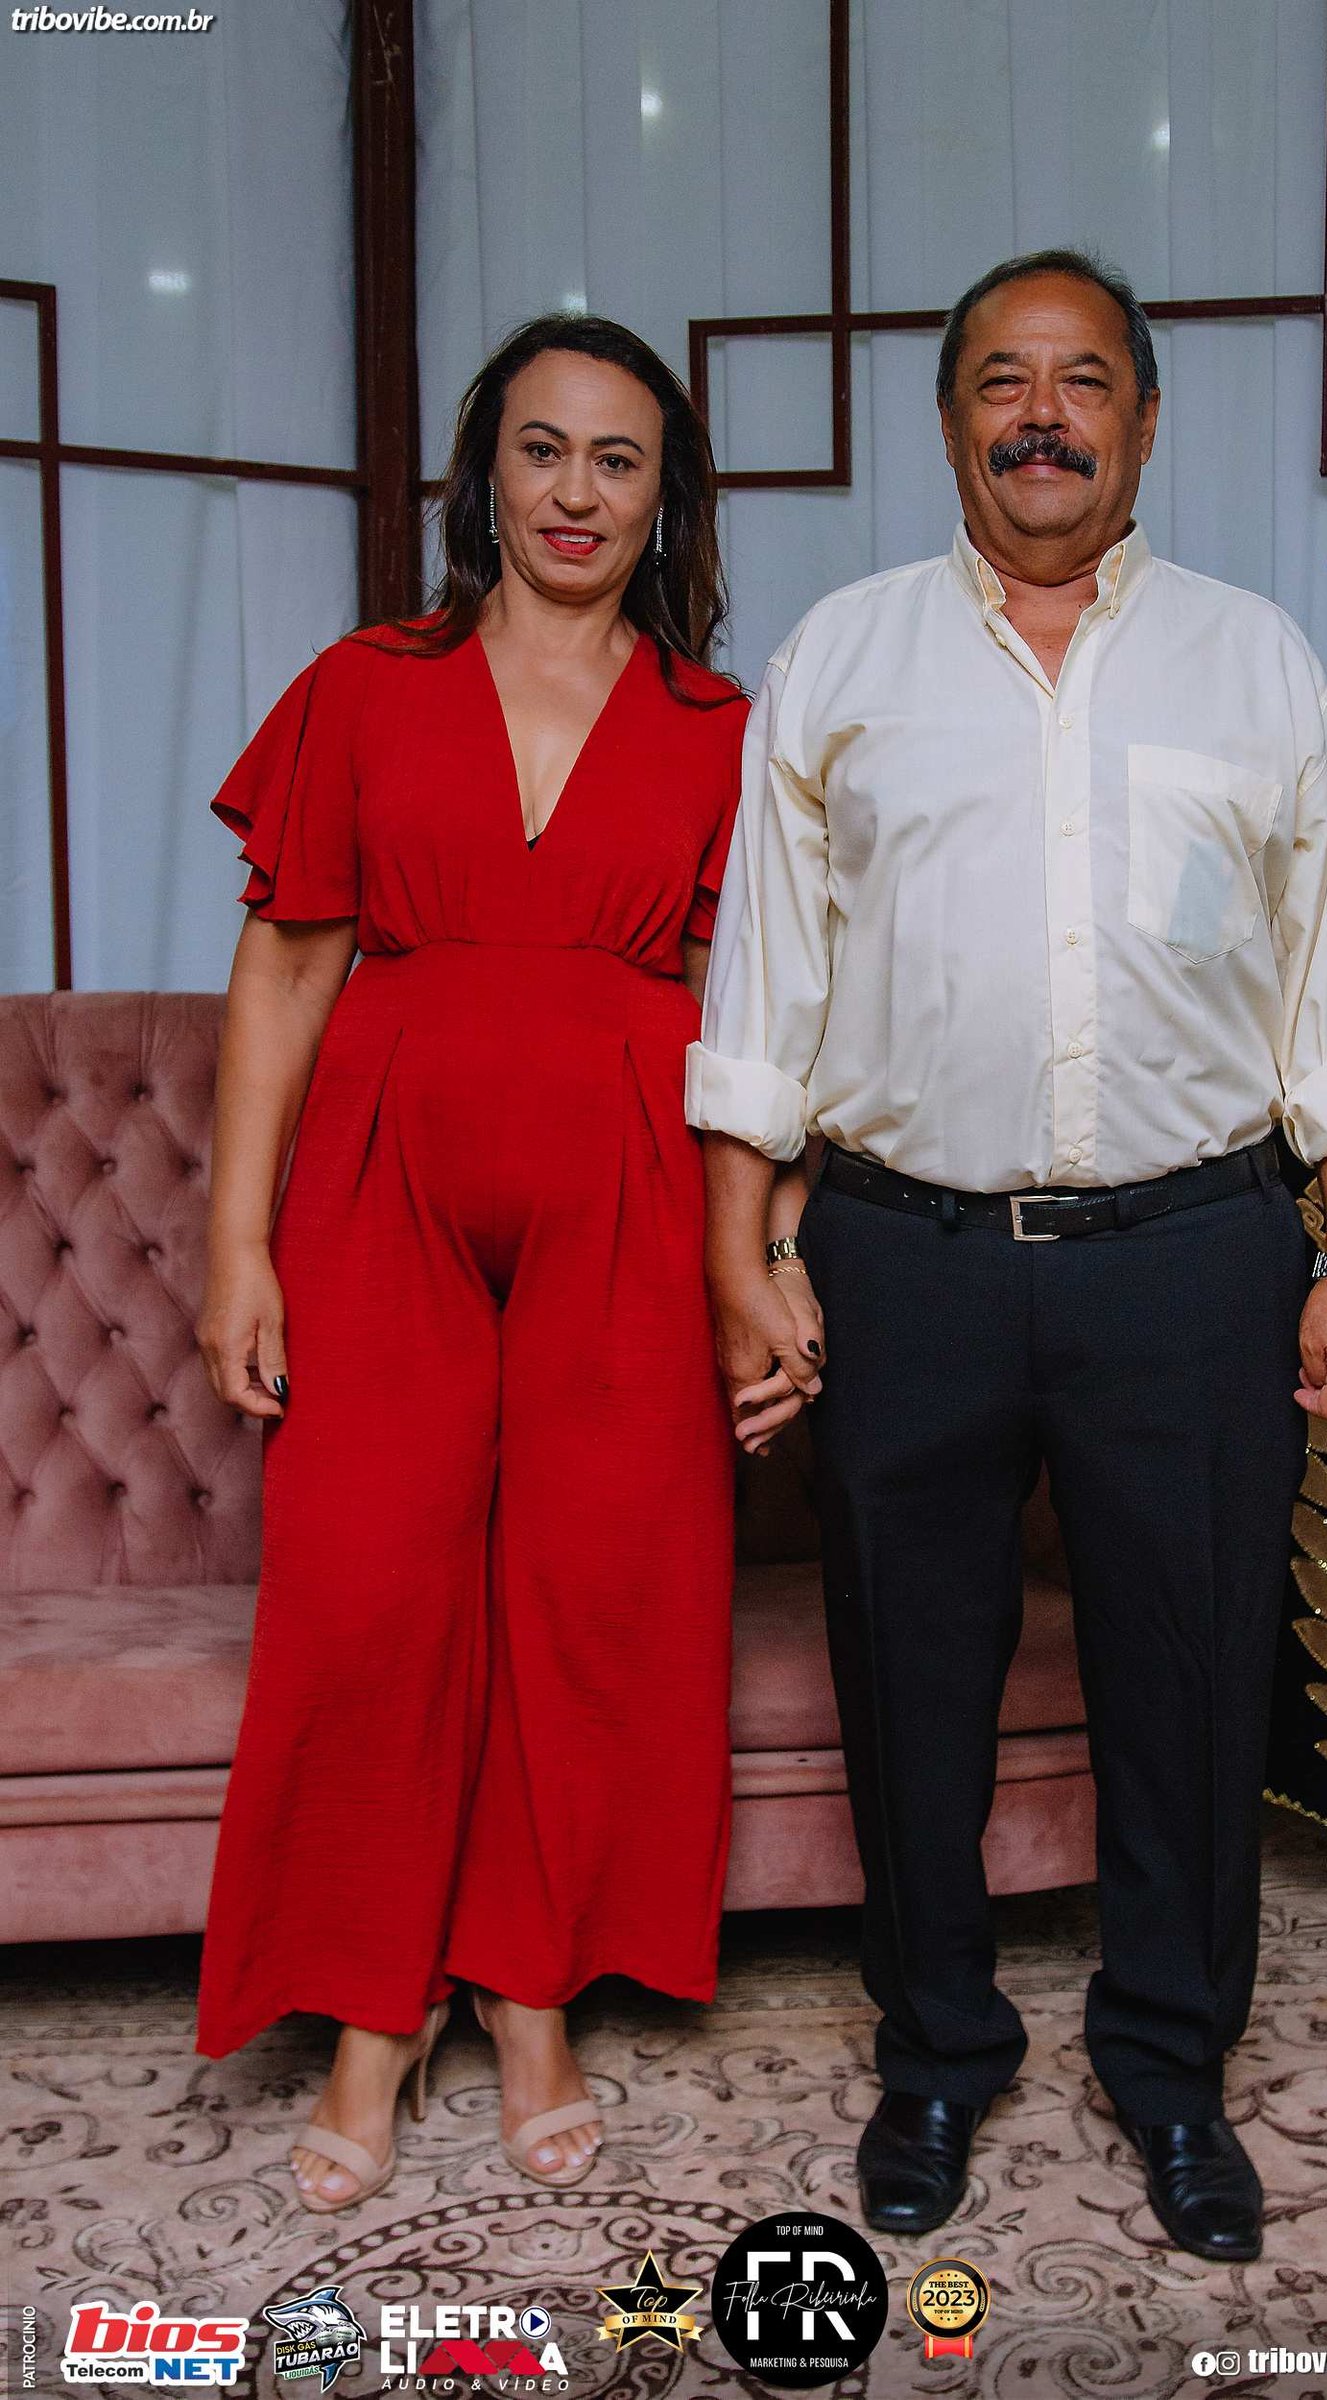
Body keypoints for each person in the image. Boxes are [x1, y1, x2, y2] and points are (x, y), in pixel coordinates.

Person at [688, 248, 1327, 2262]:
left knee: (1191, 1680)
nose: (1041, 415)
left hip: (1189, 1255)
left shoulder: (1252, 661)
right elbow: (767, 983)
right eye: (1002, 381)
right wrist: (745, 1248)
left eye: (1081, 380)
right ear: (949, 424)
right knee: (905, 1672)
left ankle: (1170, 2068)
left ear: (1143, 423)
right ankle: (935, 2052)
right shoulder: (841, 658)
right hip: (902, 1254)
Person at [195, 313, 755, 2211]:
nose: (575, 492)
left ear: (664, 495)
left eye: (618, 458)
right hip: (382, 1184)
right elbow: (286, 969)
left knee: (597, 1597)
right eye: (542, 449)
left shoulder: (720, 732)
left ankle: (527, 1992)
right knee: (364, 1587)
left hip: (635, 1190)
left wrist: (759, 1255)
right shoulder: (365, 686)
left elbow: (753, 1024)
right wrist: (237, 1243)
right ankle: (374, 2005)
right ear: (485, 475)